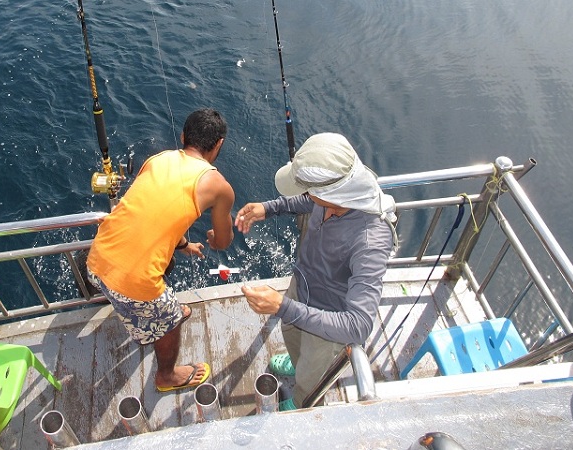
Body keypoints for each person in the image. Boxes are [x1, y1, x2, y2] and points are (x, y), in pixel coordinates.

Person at [236, 132, 396, 409]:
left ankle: (301, 404)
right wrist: (269, 208)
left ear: (331, 193)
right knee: (292, 335)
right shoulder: (340, 196)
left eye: (309, 190)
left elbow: (358, 327)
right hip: (301, 288)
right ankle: (297, 360)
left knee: (310, 380)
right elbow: (311, 201)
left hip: (328, 323)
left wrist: (282, 306)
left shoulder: (371, 241)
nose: (306, 196)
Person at [87, 108, 235, 392]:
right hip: (129, 282)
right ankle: (166, 376)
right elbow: (223, 241)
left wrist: (183, 244)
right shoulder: (219, 186)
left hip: (97, 257)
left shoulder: (159, 159)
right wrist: (215, 239)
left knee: (156, 286)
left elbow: (155, 211)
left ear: (183, 136)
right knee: (171, 322)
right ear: (219, 145)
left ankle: (150, 317)